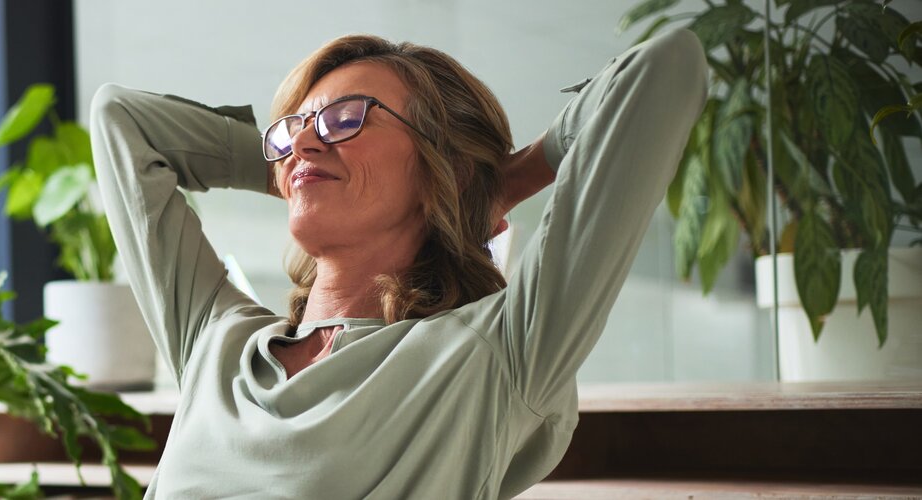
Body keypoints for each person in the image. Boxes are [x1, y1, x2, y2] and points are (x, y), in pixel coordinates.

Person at [88, 27, 708, 499]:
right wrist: (303, 167)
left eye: (345, 119)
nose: (305, 138)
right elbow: (121, 119)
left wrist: (494, 182)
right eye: (295, 128)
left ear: (442, 166)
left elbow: (665, 68)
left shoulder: (491, 355)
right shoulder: (217, 342)